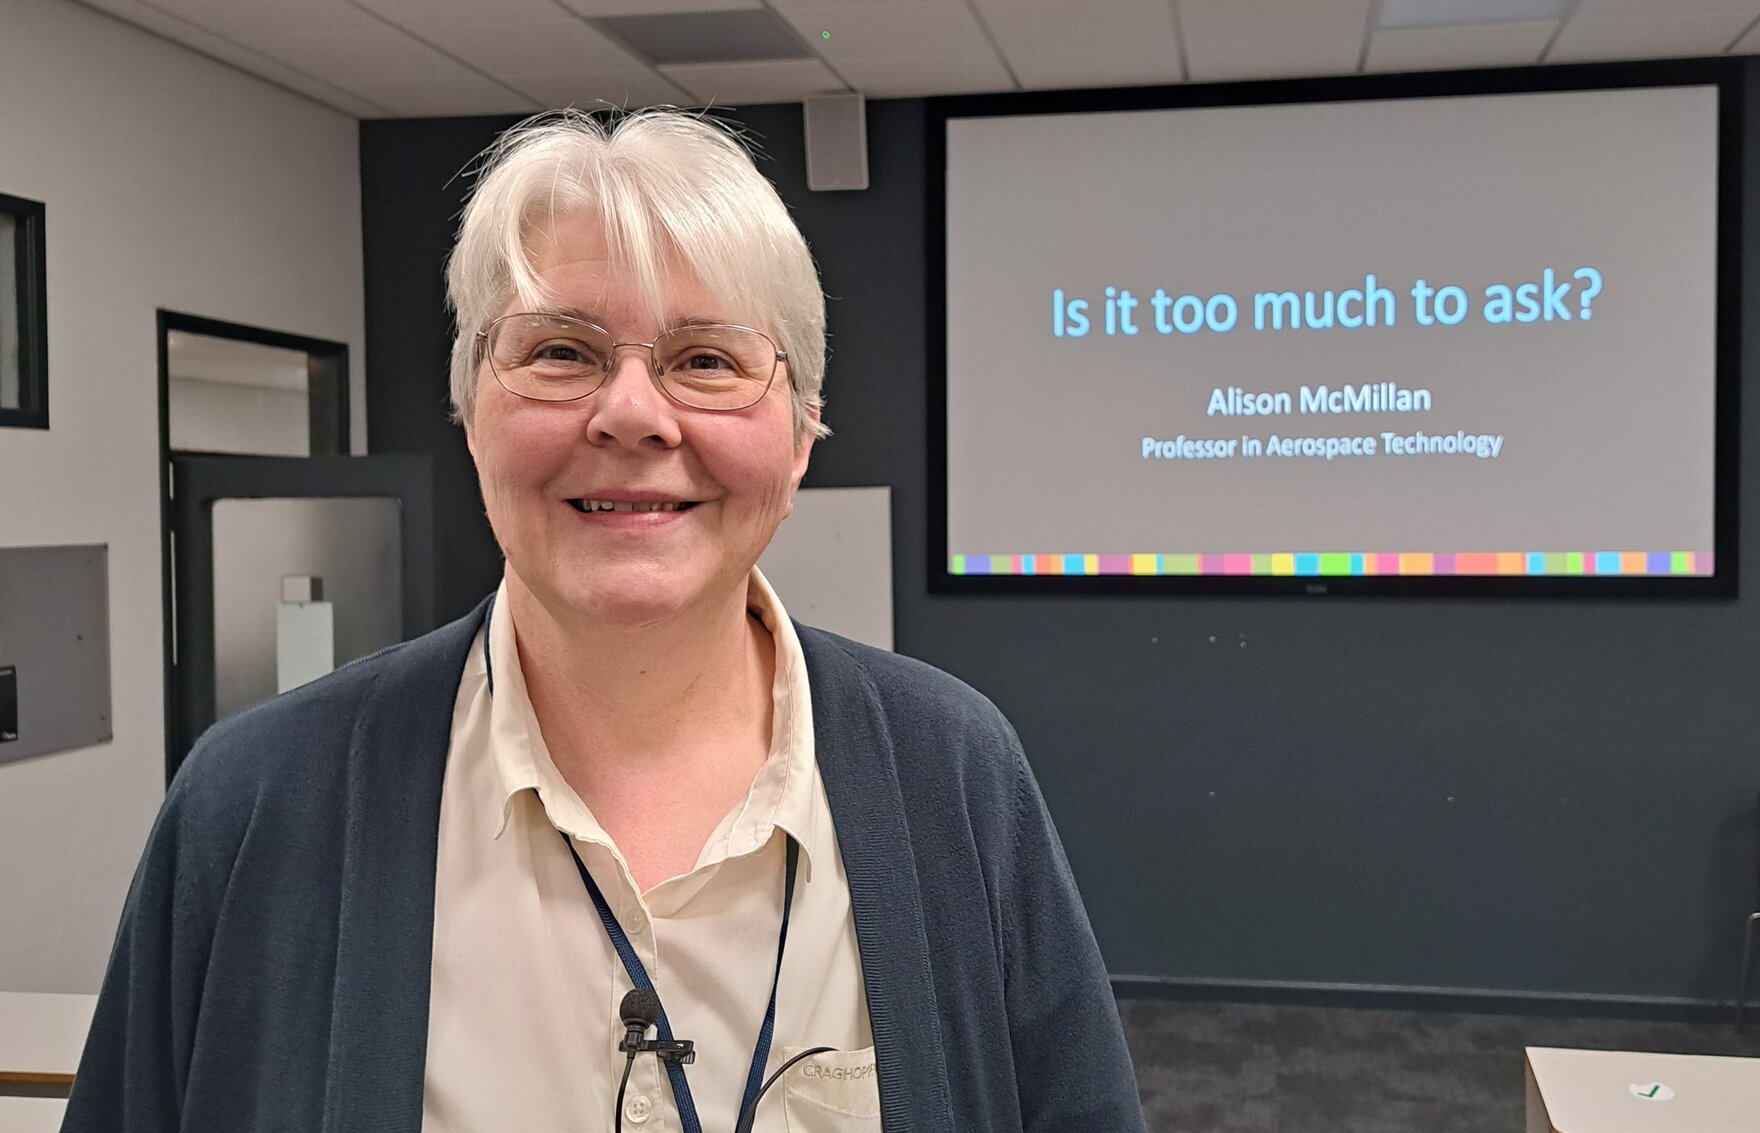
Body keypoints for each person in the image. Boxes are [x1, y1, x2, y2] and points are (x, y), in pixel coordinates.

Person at [62, 109, 1146, 1132]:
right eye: (560, 352)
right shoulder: (253, 803)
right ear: (470, 406)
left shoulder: (950, 773)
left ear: (804, 429)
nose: (632, 412)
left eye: (708, 359)